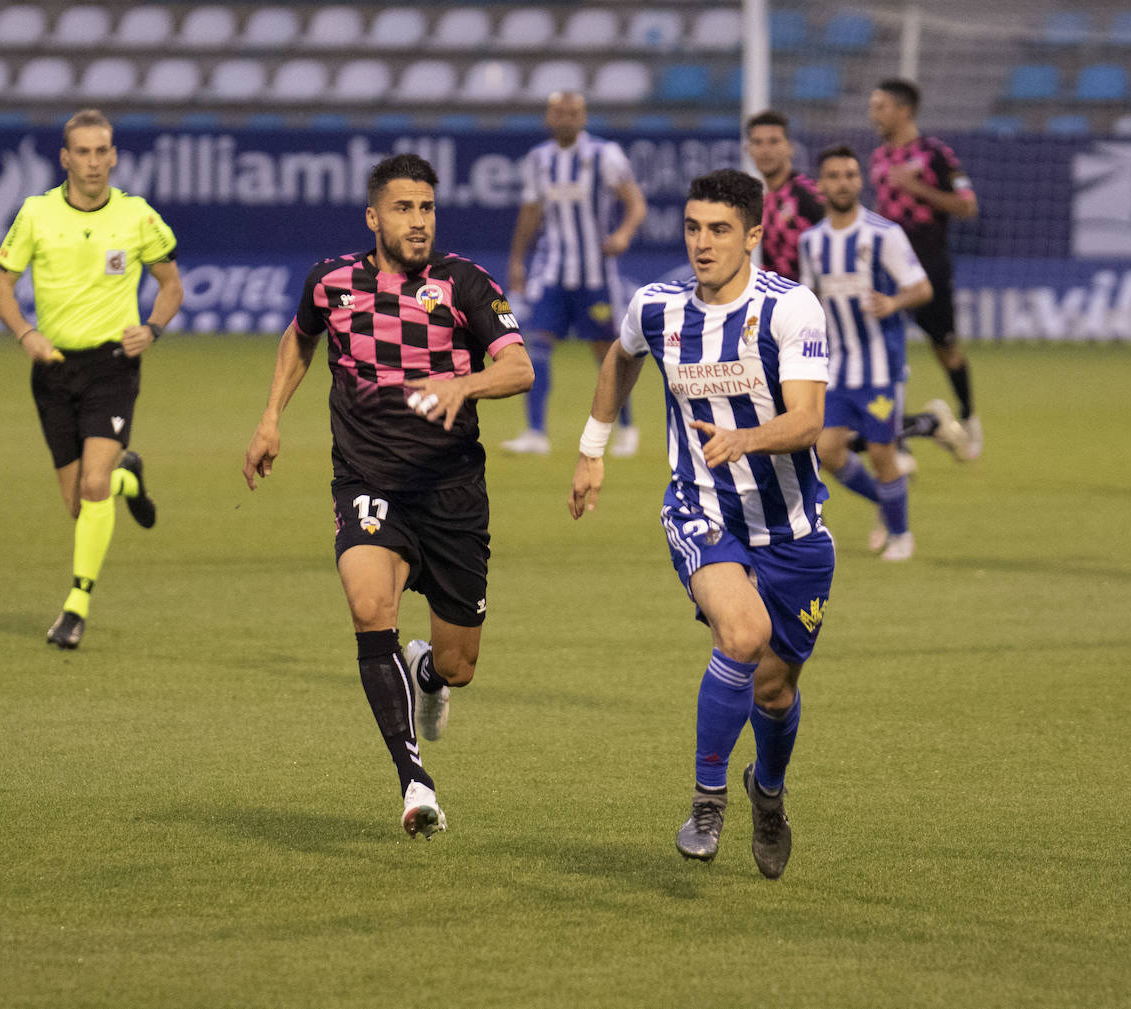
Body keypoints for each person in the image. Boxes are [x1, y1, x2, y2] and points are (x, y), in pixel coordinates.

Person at [242, 154, 533, 840]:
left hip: (454, 493)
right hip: (370, 483)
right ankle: (414, 779)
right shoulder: (333, 282)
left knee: (459, 664)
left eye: (427, 208)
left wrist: (463, 385)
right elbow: (299, 337)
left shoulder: (464, 283)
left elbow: (517, 365)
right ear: (374, 217)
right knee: (370, 604)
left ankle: (425, 670)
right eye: (404, 208)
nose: (418, 221)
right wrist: (270, 417)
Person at [568, 169, 834, 880]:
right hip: (701, 507)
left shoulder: (791, 309)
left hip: (792, 528)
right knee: (741, 634)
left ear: (754, 235)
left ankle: (766, 792)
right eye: (692, 227)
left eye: (719, 229)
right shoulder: (656, 306)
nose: (702, 242)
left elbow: (809, 419)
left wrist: (747, 438)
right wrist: (592, 451)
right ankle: (707, 798)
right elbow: (619, 361)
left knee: (776, 690)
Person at [0, 108, 183, 650]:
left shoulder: (138, 217)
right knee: (82, 504)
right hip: (52, 371)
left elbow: (171, 285)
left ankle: (76, 606)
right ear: (65, 158)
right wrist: (28, 335)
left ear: (114, 156)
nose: (94, 162)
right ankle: (129, 478)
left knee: (91, 488)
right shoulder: (36, 214)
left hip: (111, 367)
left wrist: (153, 328)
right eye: (84, 152)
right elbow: (0, 289)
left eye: (103, 151)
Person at [801, 145, 966, 562]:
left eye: (850, 175)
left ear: (860, 182)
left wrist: (893, 303)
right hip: (836, 366)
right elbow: (810, 299)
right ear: (821, 186)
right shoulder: (812, 242)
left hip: (880, 365)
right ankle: (886, 502)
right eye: (834, 176)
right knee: (827, 450)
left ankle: (901, 535)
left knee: (880, 452)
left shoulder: (883, 234)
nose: (843, 182)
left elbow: (922, 287)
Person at [502, 91, 647, 457]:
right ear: (549, 118)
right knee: (536, 344)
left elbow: (635, 203)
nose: (565, 118)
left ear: (583, 118)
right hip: (552, 271)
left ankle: (627, 428)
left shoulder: (605, 154)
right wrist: (518, 260)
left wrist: (624, 234)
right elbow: (531, 213)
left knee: (606, 352)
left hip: (595, 274)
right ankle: (536, 432)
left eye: (572, 113)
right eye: (559, 113)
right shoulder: (539, 160)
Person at [868, 78, 983, 459]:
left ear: (904, 110)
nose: (875, 114)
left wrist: (919, 190)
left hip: (930, 266)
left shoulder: (934, 154)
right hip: (887, 270)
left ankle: (968, 417)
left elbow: (967, 206)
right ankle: (894, 439)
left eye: (881, 106)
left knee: (945, 347)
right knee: (881, 355)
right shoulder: (878, 157)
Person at [744, 109, 824, 282]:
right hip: (779, 302)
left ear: (790, 148)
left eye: (773, 141)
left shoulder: (807, 193)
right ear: (748, 149)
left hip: (811, 301)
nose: (765, 150)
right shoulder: (761, 202)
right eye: (758, 142)